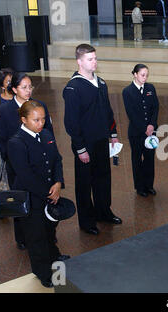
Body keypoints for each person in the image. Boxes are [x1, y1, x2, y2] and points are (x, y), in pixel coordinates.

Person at [7, 100, 69, 288]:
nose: (41, 123)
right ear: (23, 119)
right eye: (36, 120)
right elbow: (25, 175)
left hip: (51, 193)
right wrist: (48, 193)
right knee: (36, 236)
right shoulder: (16, 142)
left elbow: (57, 159)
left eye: (43, 119)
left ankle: (54, 256)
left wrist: (58, 183)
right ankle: (42, 272)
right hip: (32, 197)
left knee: (49, 229)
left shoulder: (46, 134)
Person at [63, 44, 122, 236]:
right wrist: (80, 149)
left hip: (101, 142)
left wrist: (112, 134)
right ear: (79, 61)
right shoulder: (73, 88)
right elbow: (71, 122)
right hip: (85, 145)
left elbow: (108, 112)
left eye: (95, 58)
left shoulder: (101, 83)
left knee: (103, 179)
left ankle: (103, 212)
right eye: (90, 59)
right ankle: (87, 221)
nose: (94, 62)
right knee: (84, 184)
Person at [0, 72, 54, 250]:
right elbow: (1, 137)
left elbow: (48, 132)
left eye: (30, 87)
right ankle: (22, 237)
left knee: (42, 200)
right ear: (14, 89)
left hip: (39, 162)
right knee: (21, 199)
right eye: (24, 87)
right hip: (17, 165)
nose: (28, 91)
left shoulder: (39, 106)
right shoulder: (5, 109)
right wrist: (13, 158)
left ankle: (46, 234)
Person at [122, 64, 159, 197]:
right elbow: (131, 114)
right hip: (136, 133)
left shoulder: (150, 88)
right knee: (137, 159)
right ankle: (140, 187)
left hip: (151, 132)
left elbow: (155, 107)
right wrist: (144, 128)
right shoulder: (127, 91)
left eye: (146, 75)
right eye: (142, 75)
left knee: (149, 159)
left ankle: (149, 185)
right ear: (135, 74)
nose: (145, 78)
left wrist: (152, 125)